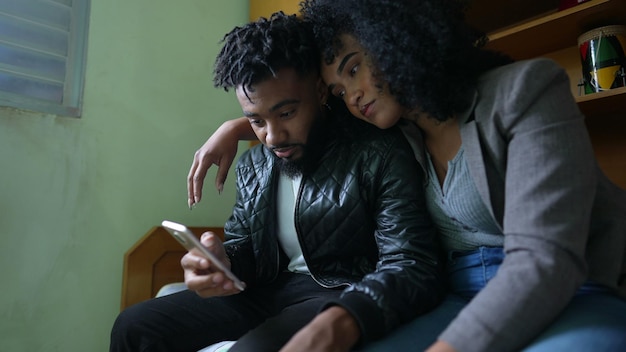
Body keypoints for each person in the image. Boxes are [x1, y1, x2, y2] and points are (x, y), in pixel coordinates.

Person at [187, 0, 626, 351]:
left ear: (395, 38)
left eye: (354, 68)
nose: (352, 95)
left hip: (572, 288)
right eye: (339, 89)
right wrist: (235, 128)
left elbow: (546, 261)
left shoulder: (524, 90)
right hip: (455, 293)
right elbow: (297, 118)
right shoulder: (393, 130)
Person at [111, 12, 443, 352]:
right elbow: (247, 248)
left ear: (319, 89)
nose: (272, 136)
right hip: (268, 291)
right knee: (133, 327)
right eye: (256, 120)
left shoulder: (378, 152)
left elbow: (410, 261)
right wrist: (220, 260)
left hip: (340, 291)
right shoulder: (254, 165)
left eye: (286, 114)